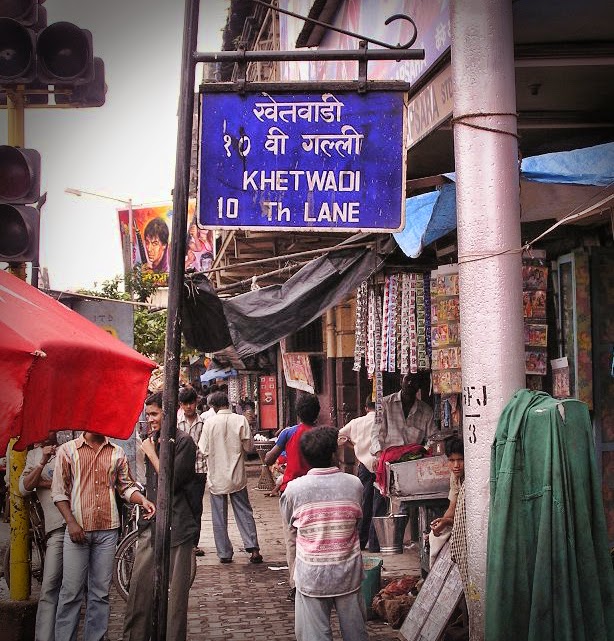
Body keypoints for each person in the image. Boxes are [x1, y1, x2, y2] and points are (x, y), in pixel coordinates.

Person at [52, 431, 155, 641]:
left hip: (107, 530)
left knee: (100, 594)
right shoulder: (68, 451)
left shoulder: (117, 452)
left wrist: (142, 500)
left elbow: (125, 487)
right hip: (77, 531)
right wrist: (71, 522)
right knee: (71, 593)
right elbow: (59, 492)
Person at [123, 391, 199, 641]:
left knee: (175, 601)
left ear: (169, 412)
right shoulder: (150, 440)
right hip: (152, 524)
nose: (151, 419)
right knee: (139, 593)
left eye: (154, 414)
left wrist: (153, 454)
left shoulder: (185, 442)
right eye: (148, 415)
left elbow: (172, 482)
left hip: (178, 526)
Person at [281, 427, 368, 641]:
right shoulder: (354, 484)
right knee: (355, 633)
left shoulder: (293, 489)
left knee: (314, 636)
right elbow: (357, 520)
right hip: (347, 571)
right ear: (333, 455)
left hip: (311, 574)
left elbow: (290, 526)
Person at [264, 393, 320, 602]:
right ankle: (315, 580)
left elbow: (269, 458)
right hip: (315, 491)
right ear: (318, 413)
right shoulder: (321, 434)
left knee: (293, 540)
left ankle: (296, 585)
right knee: (315, 536)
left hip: (292, 492)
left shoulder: (288, 433)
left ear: (297, 413)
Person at [370, 372, 435, 548]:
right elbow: (376, 434)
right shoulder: (384, 404)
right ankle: (376, 545)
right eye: (408, 379)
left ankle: (395, 543)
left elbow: (432, 438)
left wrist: (425, 453)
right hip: (387, 462)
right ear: (401, 381)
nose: (411, 383)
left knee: (407, 503)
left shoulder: (426, 411)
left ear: (420, 386)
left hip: (412, 463)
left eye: (415, 381)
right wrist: (378, 454)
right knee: (380, 503)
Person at [198, 391, 263, 564]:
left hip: (217, 476)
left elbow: (203, 449)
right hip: (237, 475)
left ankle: (224, 553)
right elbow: (249, 448)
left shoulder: (209, 423)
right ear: (228, 403)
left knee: (219, 516)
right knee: (244, 510)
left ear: (213, 406)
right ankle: (253, 548)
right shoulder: (240, 420)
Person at [19, 431, 64, 641]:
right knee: (50, 585)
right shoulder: (35, 455)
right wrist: (42, 463)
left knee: (79, 588)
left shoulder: (70, 449)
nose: (47, 432)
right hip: (57, 529)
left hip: (82, 525)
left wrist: (43, 482)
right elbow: (25, 487)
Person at [337, 397, 378, 551]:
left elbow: (339, 436)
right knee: (379, 505)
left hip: (365, 466)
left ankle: (361, 541)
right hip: (381, 465)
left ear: (366, 408)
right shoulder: (383, 420)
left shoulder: (356, 423)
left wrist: (353, 446)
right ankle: (375, 543)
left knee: (364, 504)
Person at [178, 386, 207, 556]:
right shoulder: (175, 422)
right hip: (181, 471)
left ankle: (194, 543)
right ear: (181, 405)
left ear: (196, 403)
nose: (188, 407)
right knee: (182, 507)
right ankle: (183, 541)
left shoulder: (203, 422)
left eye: (191, 403)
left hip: (199, 470)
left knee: (196, 507)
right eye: (185, 404)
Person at [428, 437, 465, 566]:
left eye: (460, 460)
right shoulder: (455, 477)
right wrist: (442, 522)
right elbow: (452, 507)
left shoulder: (471, 477)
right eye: (452, 460)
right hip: (458, 521)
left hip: (470, 526)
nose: (456, 465)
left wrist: (447, 522)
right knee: (435, 537)